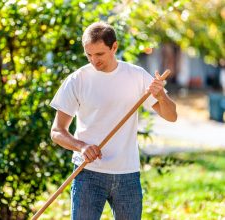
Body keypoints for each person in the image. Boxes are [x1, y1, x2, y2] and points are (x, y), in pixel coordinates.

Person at [49, 21, 177, 220]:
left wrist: (161, 96)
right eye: (88, 54)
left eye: (99, 54)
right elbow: (57, 132)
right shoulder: (77, 80)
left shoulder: (136, 76)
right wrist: (81, 146)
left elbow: (171, 116)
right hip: (88, 173)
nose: (93, 61)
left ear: (114, 47)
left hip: (127, 174)